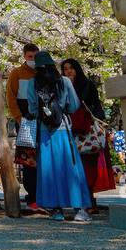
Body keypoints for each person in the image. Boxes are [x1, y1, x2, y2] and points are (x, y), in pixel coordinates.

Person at [19, 52, 92, 221]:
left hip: (44, 131)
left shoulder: (32, 83)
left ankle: (56, 210)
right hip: (63, 129)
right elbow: (73, 106)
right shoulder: (64, 81)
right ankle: (79, 208)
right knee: (71, 168)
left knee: (48, 170)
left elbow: (32, 109)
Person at [62, 57, 115, 207]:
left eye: (71, 68)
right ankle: (78, 200)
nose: (68, 71)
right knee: (74, 166)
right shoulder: (62, 86)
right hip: (70, 129)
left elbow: (93, 104)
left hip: (87, 129)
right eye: (65, 69)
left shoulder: (87, 85)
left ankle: (90, 199)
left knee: (89, 166)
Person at [6, 42, 40, 210]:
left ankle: (43, 194)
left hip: (43, 121)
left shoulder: (43, 73)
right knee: (28, 159)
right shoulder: (17, 73)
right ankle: (32, 194)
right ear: (25, 56)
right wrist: (18, 117)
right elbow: (11, 97)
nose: (32, 60)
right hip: (25, 121)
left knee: (43, 158)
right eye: (29, 57)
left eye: (35, 56)